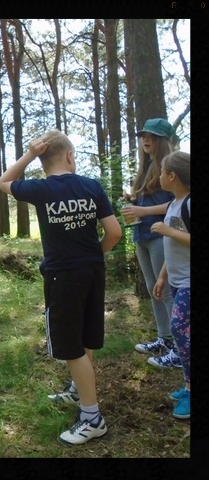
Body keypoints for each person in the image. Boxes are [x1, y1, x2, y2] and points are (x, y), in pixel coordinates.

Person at [0, 129, 122, 445]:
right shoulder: (91, 186)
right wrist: (95, 253)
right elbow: (114, 232)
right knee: (85, 336)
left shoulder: (40, 189)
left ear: (43, 160)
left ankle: (92, 418)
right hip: (93, 271)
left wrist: (28, 154)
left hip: (62, 276)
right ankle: (79, 392)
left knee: (70, 346)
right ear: (69, 156)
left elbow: (3, 182)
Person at [120, 118, 179, 368]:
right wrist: (134, 199)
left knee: (165, 290)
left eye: (152, 136)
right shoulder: (146, 168)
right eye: (143, 135)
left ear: (163, 141)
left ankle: (180, 348)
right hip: (141, 235)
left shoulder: (173, 165)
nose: (146, 140)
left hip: (161, 235)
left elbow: (177, 203)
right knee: (152, 288)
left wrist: (143, 211)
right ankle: (164, 339)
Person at [150, 151, 190, 419]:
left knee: (179, 330)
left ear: (173, 176)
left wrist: (168, 231)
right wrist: (163, 275)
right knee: (183, 335)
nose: (159, 175)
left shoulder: (189, 203)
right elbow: (173, 246)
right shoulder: (174, 203)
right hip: (176, 281)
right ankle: (188, 385)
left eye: (162, 171)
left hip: (190, 282)